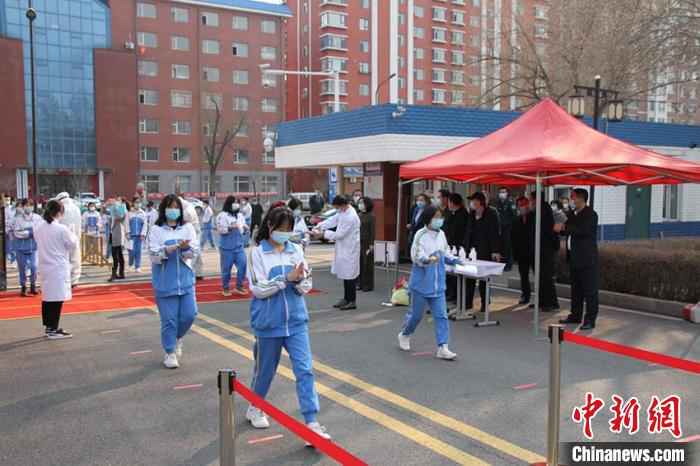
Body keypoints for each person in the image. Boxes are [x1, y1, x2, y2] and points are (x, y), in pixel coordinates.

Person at [245, 207, 331, 441]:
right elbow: (258, 289)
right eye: (281, 228)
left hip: (296, 321)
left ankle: (311, 422)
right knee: (265, 371)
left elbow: (307, 285)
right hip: (268, 323)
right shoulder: (256, 253)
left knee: (305, 370)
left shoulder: (296, 250)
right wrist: (285, 279)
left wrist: (300, 281)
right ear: (270, 226)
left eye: (288, 229)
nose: (285, 233)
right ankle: (255, 406)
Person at [398, 205, 462, 360]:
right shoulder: (420, 234)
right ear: (428, 218)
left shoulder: (442, 234)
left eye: (441, 217)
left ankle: (443, 347)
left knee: (441, 316)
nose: (439, 220)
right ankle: (405, 334)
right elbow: (416, 255)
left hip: (438, 284)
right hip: (421, 284)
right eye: (436, 217)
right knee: (416, 316)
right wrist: (426, 260)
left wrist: (454, 259)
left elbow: (445, 252)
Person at [149, 194, 199, 368]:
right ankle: (170, 352)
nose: (173, 210)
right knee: (169, 320)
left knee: (190, 315)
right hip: (165, 282)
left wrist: (185, 248)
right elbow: (154, 256)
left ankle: (177, 338)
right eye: (170, 207)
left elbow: (193, 253)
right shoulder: (156, 230)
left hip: (185, 281)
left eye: (176, 207)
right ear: (164, 209)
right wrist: (168, 249)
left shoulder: (188, 228)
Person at [556, 189, 599, 330]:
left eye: (573, 197)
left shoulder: (591, 214)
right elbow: (567, 229)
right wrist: (560, 228)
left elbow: (582, 230)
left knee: (590, 291)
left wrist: (565, 227)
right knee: (576, 290)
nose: (572, 200)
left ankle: (590, 319)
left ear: (581, 198)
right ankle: (575, 315)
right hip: (574, 258)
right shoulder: (572, 214)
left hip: (587, 259)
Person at [35, 199, 78, 339]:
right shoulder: (61, 229)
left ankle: (49, 327)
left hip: (45, 266)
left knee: (48, 298)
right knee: (57, 299)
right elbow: (72, 244)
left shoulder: (39, 227)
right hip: (57, 267)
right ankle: (53, 329)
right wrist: (73, 232)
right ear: (60, 212)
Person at [314, 195, 361, 310]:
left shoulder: (351, 216)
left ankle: (352, 301)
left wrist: (323, 234)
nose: (337, 209)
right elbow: (333, 220)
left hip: (350, 249)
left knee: (350, 275)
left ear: (343, 205)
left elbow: (339, 234)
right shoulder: (343, 211)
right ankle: (346, 298)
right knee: (345, 274)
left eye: (337, 207)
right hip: (343, 248)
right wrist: (320, 226)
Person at [464, 192, 501, 312]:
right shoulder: (472, 213)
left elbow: (495, 233)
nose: (472, 203)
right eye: (471, 201)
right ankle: (468, 303)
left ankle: (485, 302)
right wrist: (465, 248)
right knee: (469, 277)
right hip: (472, 250)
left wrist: (495, 250)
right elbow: (468, 231)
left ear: (480, 202)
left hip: (485, 250)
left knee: (483, 279)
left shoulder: (491, 213)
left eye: (474, 200)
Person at [528, 191, 560, 312]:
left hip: (545, 249)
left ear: (536, 199)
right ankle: (541, 301)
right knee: (540, 277)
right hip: (539, 249)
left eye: (531, 199)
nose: (530, 202)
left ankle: (550, 303)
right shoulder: (537, 210)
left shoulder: (544, 210)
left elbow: (546, 232)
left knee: (546, 277)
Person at [217, 195, 248, 296]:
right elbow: (220, 230)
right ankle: (225, 287)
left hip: (239, 246)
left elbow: (242, 229)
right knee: (226, 269)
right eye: (234, 202)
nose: (236, 204)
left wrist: (245, 229)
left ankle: (239, 286)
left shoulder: (240, 215)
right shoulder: (222, 215)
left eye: (237, 202)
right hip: (226, 248)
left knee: (243, 264)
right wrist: (230, 228)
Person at [12, 199, 42, 296]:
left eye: (30, 205)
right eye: (26, 205)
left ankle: (33, 286)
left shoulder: (37, 218)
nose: (28, 207)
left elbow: (40, 230)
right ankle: (23, 287)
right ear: (23, 206)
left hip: (34, 247)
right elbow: (17, 233)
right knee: (22, 268)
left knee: (34, 267)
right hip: (21, 248)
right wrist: (29, 233)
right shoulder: (18, 219)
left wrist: (32, 232)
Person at [444, 193, 469, 303]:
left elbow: (461, 232)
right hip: (449, 245)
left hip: (459, 246)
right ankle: (450, 293)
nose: (448, 204)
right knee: (449, 271)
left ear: (454, 203)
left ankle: (456, 295)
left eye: (449, 202)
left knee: (457, 272)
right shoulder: (450, 213)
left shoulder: (463, 214)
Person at [55, 192, 82, 286]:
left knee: (64, 260)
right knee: (75, 259)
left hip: (62, 239)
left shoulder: (60, 208)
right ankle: (74, 280)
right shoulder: (76, 208)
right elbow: (79, 225)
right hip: (75, 237)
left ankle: (65, 279)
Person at [511, 196, 534, 305]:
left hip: (534, 251)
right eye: (520, 205)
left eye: (524, 205)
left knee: (538, 275)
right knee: (523, 275)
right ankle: (525, 295)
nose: (523, 207)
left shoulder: (535, 217)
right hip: (522, 252)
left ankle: (541, 297)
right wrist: (515, 253)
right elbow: (513, 237)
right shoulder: (516, 220)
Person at [493, 187, 516, 271]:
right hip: (499, 228)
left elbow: (514, 216)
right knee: (500, 246)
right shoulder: (496, 203)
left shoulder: (510, 203)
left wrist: (510, 226)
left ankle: (508, 265)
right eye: (500, 192)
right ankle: (500, 264)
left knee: (507, 247)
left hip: (507, 228)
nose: (502, 194)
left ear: (507, 193)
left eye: (504, 192)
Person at [358, 196, 375, 292]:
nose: (360, 204)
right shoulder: (358, 215)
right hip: (358, 242)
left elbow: (372, 231)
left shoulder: (371, 216)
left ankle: (368, 285)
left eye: (362, 203)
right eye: (359, 202)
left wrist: (371, 244)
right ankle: (360, 283)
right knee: (360, 263)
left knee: (367, 264)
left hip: (367, 242)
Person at [108, 199, 127, 282]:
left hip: (118, 235)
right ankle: (120, 273)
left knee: (116, 255)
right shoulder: (113, 215)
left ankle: (115, 274)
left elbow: (121, 217)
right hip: (114, 234)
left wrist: (117, 207)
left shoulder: (119, 215)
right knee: (118, 255)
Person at [127, 198, 147, 272]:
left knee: (138, 251)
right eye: (136, 202)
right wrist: (127, 233)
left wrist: (143, 234)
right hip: (131, 236)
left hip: (139, 236)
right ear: (133, 203)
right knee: (131, 251)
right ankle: (130, 264)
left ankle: (137, 266)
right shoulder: (129, 213)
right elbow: (126, 224)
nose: (137, 204)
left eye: (139, 202)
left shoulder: (143, 213)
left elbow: (145, 225)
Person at [3, 195, 16, 268]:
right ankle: (6, 260)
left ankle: (13, 261)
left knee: (12, 246)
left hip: (11, 230)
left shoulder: (12, 209)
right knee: (6, 246)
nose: (7, 201)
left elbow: (13, 219)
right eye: (6, 199)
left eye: (8, 199)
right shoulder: (2, 209)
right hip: (4, 230)